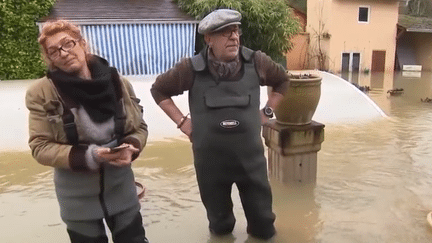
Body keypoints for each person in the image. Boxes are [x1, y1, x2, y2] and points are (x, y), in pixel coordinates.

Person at [151, 8, 289, 240]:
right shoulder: (190, 68)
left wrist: (266, 111)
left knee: (264, 226)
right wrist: (182, 122)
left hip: (251, 162)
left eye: (235, 31)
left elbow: (282, 81)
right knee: (221, 227)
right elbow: (159, 90)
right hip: (210, 164)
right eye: (225, 32)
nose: (234, 37)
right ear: (208, 38)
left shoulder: (256, 61)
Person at [25, 20, 149, 243]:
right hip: (76, 199)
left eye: (68, 44)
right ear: (50, 59)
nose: (63, 53)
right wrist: (91, 156)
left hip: (122, 189)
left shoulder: (118, 82)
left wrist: (132, 146)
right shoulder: (41, 93)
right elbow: (40, 147)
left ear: (83, 44)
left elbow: (139, 127)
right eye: (54, 51)